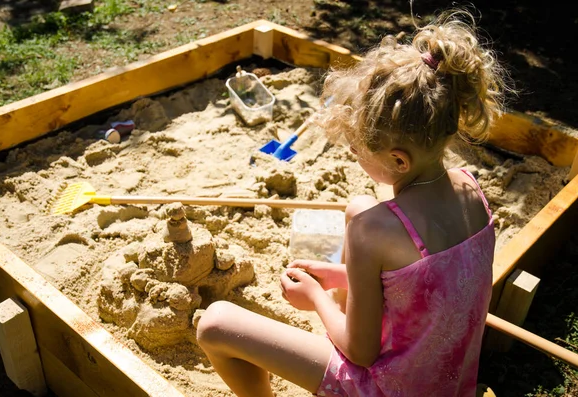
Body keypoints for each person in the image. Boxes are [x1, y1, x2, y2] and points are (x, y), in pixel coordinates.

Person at [196, 8, 508, 397]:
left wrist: (314, 298)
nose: (354, 156)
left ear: (398, 160)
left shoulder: (373, 232)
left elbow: (361, 353)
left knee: (215, 324)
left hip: (383, 388)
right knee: (359, 205)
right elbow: (428, 286)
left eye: (358, 149)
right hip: (446, 381)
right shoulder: (471, 190)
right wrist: (342, 278)